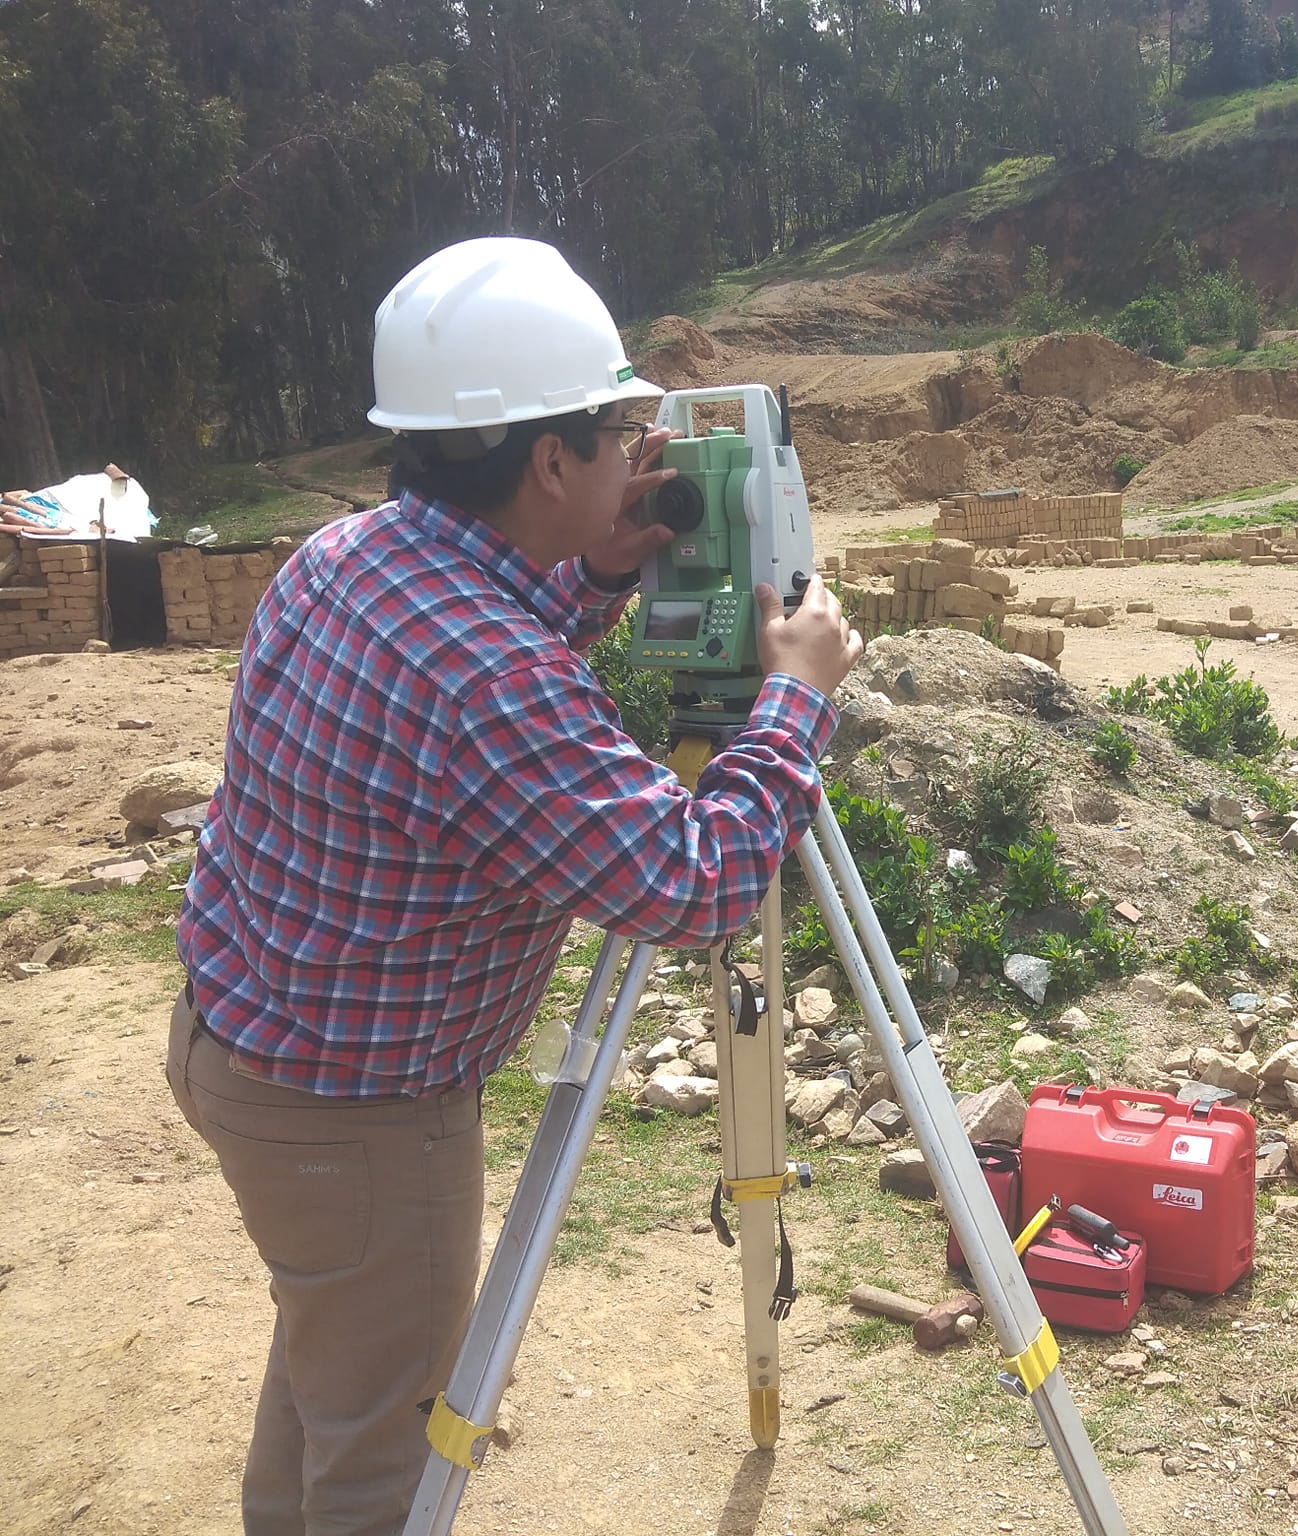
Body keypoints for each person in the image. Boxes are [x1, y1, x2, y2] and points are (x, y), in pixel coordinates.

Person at [165, 236, 862, 1535]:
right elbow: (699, 884)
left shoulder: (351, 556)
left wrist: (599, 571)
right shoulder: (491, 678)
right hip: (352, 1117)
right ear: (550, 460)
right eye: (614, 433)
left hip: (237, 1035)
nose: (633, 457)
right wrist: (795, 700)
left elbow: (487, 636)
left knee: (333, 1365)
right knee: (385, 1456)